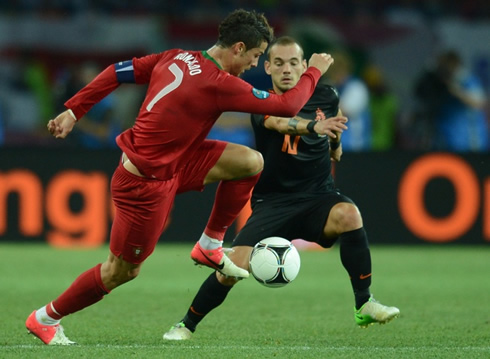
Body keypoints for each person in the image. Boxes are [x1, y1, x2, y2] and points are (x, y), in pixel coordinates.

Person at [25, 9, 336, 345]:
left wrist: (74, 110)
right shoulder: (220, 84)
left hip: (175, 163)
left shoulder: (176, 57)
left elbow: (117, 72)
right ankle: (45, 318)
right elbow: (289, 105)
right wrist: (314, 69)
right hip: (144, 186)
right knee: (121, 271)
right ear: (239, 48)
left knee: (249, 161)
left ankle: (210, 244)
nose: (252, 65)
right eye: (256, 56)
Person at [163, 36, 400, 341]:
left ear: (304, 66)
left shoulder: (327, 94)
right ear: (267, 67)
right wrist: (315, 127)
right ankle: (185, 325)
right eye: (278, 63)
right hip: (273, 202)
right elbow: (276, 123)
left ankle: (364, 303)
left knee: (349, 214)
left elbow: (332, 130)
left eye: (292, 63)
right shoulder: (259, 99)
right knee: (232, 267)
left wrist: (335, 142)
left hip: (318, 196)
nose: (286, 69)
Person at [323, 49, 371, 151]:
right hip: (333, 147)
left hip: (355, 147)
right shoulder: (332, 86)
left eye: (335, 70)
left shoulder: (357, 88)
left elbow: (343, 112)